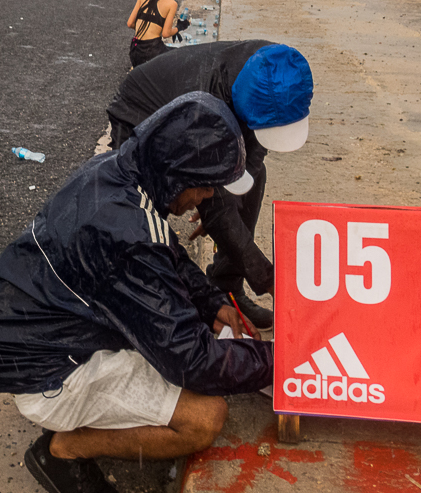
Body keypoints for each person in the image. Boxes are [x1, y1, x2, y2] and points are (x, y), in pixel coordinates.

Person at [0, 92, 271, 493]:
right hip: (49, 370)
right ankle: (63, 450)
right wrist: (281, 362)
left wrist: (212, 303)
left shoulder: (119, 172)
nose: (207, 196)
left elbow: (167, 252)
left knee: (191, 327)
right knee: (205, 418)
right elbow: (192, 362)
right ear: (174, 174)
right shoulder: (127, 238)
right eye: (204, 184)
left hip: (32, 325)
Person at [106, 42, 314, 330]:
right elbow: (217, 207)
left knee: (254, 178)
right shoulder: (206, 104)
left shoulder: (279, 70)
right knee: (144, 212)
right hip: (141, 110)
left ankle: (227, 287)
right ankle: (140, 303)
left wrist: (228, 202)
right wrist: (270, 279)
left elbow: (253, 154)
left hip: (208, 102)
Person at [127, 0, 186, 67]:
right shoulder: (171, 4)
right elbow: (166, 33)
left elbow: (130, 23)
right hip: (153, 52)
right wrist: (179, 28)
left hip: (135, 51)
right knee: (182, 56)